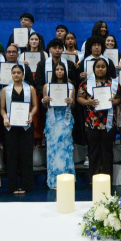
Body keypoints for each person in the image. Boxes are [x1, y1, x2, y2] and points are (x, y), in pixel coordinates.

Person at [77, 58, 120, 178]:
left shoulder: (113, 83)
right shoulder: (86, 83)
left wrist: (114, 101)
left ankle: (107, 179)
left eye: (103, 67)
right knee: (93, 152)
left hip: (108, 123)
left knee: (107, 152)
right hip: (92, 123)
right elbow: (79, 98)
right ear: (94, 68)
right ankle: (94, 179)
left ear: (107, 68)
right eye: (98, 67)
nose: (100, 69)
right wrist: (87, 102)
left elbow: (119, 98)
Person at [0, 64, 37, 194]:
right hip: (11, 126)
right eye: (14, 72)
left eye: (19, 72)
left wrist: (31, 115)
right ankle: (13, 186)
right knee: (12, 155)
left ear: (23, 75)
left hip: (26, 125)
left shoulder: (30, 88)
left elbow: (35, 106)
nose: (16, 75)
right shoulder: (5, 90)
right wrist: (5, 117)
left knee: (26, 155)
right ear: (11, 74)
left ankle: (27, 185)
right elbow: (2, 108)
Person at [42, 61, 75, 189]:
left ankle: (67, 179)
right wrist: (44, 100)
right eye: (57, 69)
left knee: (65, 149)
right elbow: (45, 105)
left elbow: (74, 105)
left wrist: (71, 101)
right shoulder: (47, 86)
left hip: (65, 120)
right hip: (53, 120)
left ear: (65, 71)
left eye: (62, 69)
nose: (59, 71)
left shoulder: (70, 86)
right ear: (54, 71)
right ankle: (54, 181)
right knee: (53, 150)